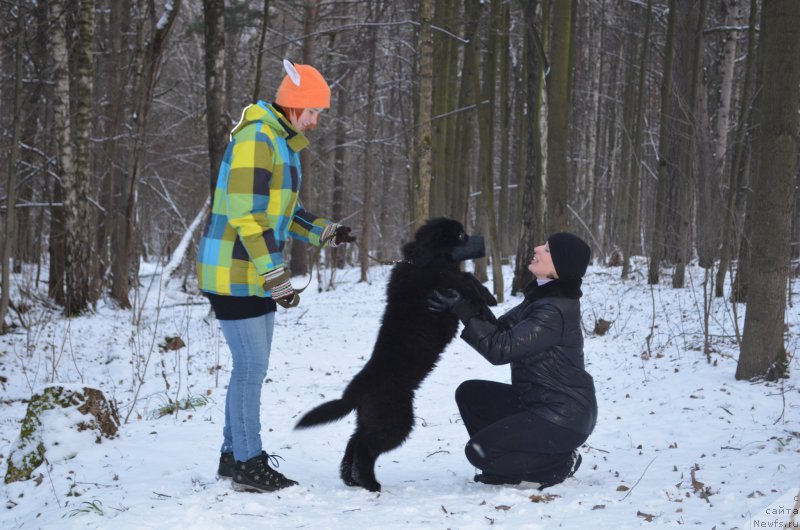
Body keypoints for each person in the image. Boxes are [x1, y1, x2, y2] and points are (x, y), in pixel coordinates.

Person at [196, 60, 356, 493]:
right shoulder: (257, 139)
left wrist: (325, 232)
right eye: (313, 111)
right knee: (251, 368)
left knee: (249, 368)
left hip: (253, 271)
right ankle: (248, 463)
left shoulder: (282, 142)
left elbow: (285, 212)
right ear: (294, 105)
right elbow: (247, 215)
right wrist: (275, 274)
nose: (316, 120)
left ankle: (233, 456)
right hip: (233, 269)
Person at [426, 232, 597, 488]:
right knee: (471, 394)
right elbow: (499, 330)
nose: (537, 248)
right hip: (538, 403)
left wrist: (462, 309)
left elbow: (500, 349)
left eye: (547, 249)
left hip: (563, 417)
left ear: (560, 266)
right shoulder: (543, 298)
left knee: (478, 451)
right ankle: (504, 468)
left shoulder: (554, 310)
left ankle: (559, 463)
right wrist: (465, 296)